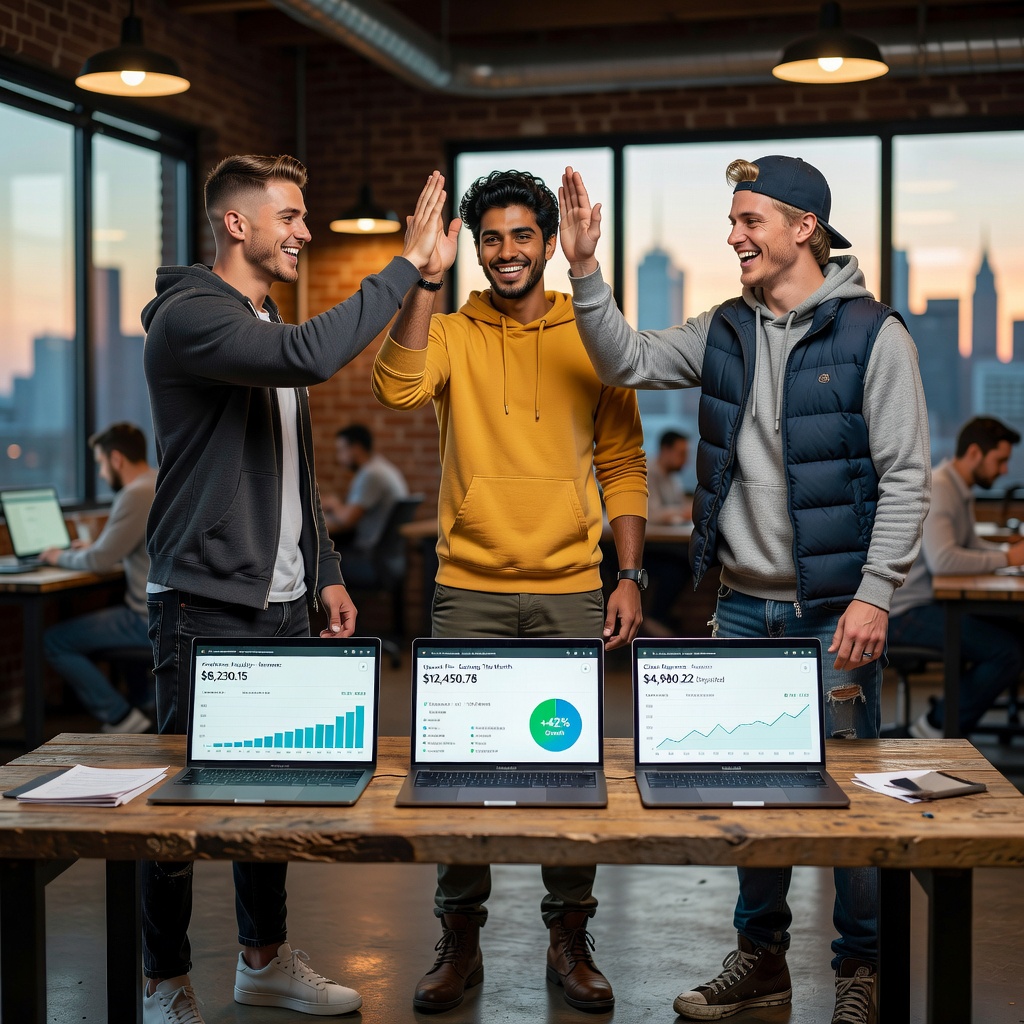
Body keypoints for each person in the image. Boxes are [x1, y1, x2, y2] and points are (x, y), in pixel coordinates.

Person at [559, 156, 930, 1024]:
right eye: (733, 221)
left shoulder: (875, 334)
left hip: (831, 616)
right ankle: (761, 961)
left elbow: (908, 477)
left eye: (750, 220)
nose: (734, 236)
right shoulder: (724, 329)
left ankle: (860, 973)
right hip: (739, 608)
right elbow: (627, 359)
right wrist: (583, 268)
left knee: (847, 808)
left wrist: (875, 594)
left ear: (805, 227)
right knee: (752, 796)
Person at [139, 154, 455, 1024]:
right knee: (177, 810)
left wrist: (323, 570)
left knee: (270, 795)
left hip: (279, 599)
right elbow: (313, 357)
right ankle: (163, 979)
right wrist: (409, 266)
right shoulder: (192, 316)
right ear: (237, 223)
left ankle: (262, 961)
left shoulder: (260, 314)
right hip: (202, 600)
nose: (306, 231)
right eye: (290, 216)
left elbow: (295, 469)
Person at [372, 168, 648, 1015]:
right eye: (489, 239)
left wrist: (629, 574)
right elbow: (397, 385)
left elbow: (624, 464)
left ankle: (569, 933)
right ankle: (461, 938)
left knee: (570, 771)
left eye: (522, 235)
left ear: (549, 242)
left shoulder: (594, 336)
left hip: (571, 585)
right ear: (474, 249)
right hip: (469, 589)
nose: (505, 253)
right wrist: (422, 277)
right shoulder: (451, 330)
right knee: (459, 775)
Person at [890, 416, 1024, 737]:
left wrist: (1010, 555)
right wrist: (1007, 557)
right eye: (1001, 460)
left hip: (929, 602)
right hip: (905, 611)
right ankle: (933, 727)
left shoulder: (957, 487)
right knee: (1006, 651)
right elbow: (945, 561)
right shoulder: (940, 487)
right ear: (975, 453)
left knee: (1016, 633)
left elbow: (969, 544)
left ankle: (947, 722)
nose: (1004, 470)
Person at [41, 422, 157, 733]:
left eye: (101, 464)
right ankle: (144, 702)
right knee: (112, 603)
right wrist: (95, 547)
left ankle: (120, 717)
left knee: (54, 640)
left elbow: (100, 561)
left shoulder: (136, 493)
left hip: (147, 620)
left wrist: (57, 556)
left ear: (116, 458)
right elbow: (115, 548)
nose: (102, 474)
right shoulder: (158, 480)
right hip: (168, 613)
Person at [320, 422, 409, 586]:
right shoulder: (382, 467)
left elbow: (347, 521)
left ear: (356, 448)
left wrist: (333, 503)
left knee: (315, 563)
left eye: (341, 450)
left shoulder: (371, 474)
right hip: (388, 557)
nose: (339, 458)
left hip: (370, 558)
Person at [644, 429, 692, 636]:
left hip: (660, 543)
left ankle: (660, 616)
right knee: (680, 565)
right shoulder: (647, 472)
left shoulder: (672, 478)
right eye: (681, 454)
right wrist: (683, 512)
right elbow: (651, 514)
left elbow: (677, 507)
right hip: (644, 547)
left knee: (688, 560)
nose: (685, 460)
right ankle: (655, 617)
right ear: (665, 450)